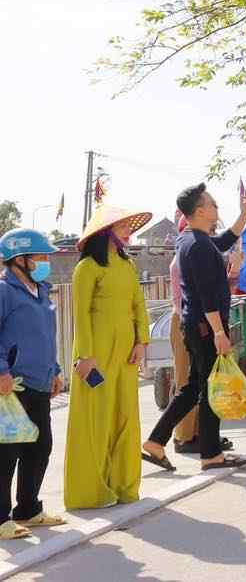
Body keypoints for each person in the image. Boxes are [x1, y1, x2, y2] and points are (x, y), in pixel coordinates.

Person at [144, 183, 246, 473]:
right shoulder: (199, 245)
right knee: (208, 389)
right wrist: (219, 333)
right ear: (201, 211)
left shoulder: (191, 240)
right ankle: (211, 454)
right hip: (206, 327)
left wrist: (245, 214)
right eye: (214, 205)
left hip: (195, 325)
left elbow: (226, 239)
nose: (217, 209)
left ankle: (156, 441)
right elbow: (206, 294)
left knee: (193, 387)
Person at [64, 205, 154, 510]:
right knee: (96, 418)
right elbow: (81, 316)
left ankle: (124, 486)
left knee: (125, 416)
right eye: (123, 226)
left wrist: (142, 341)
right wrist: (85, 356)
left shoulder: (127, 266)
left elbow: (138, 305)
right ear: (105, 232)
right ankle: (91, 492)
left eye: (129, 225)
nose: (129, 231)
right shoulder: (86, 268)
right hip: (96, 354)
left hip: (127, 352)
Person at [0, 230, 66, 538]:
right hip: (13, 385)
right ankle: (1, 520)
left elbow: (46, 338)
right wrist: (1, 371)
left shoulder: (41, 290)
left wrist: (55, 370)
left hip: (40, 383)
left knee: (40, 446)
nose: (45, 262)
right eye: (39, 257)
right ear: (20, 259)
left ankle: (28, 509)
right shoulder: (4, 291)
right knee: (6, 452)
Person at [164, 215, 202, 446]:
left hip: (191, 321)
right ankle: (184, 436)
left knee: (195, 380)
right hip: (185, 322)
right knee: (186, 380)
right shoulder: (183, 260)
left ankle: (195, 432)